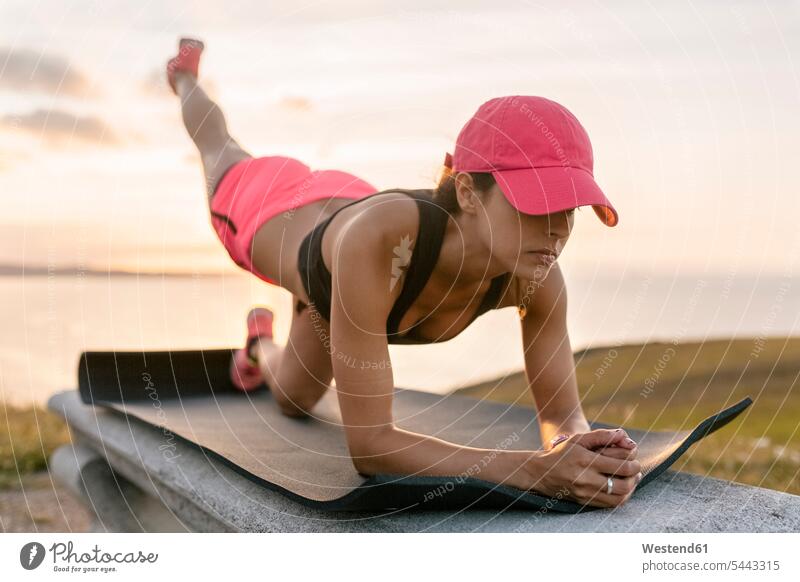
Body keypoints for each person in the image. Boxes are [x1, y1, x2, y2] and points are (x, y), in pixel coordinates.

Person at [166, 37, 642, 508]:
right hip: (266, 211)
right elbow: (371, 446)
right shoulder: (378, 244)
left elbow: (561, 415)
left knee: (294, 400)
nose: (559, 230)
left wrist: (577, 448)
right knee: (218, 146)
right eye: (539, 205)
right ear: (468, 192)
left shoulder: (537, 279)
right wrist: (532, 471)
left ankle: (256, 344)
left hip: (348, 226)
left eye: (571, 207)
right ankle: (184, 77)